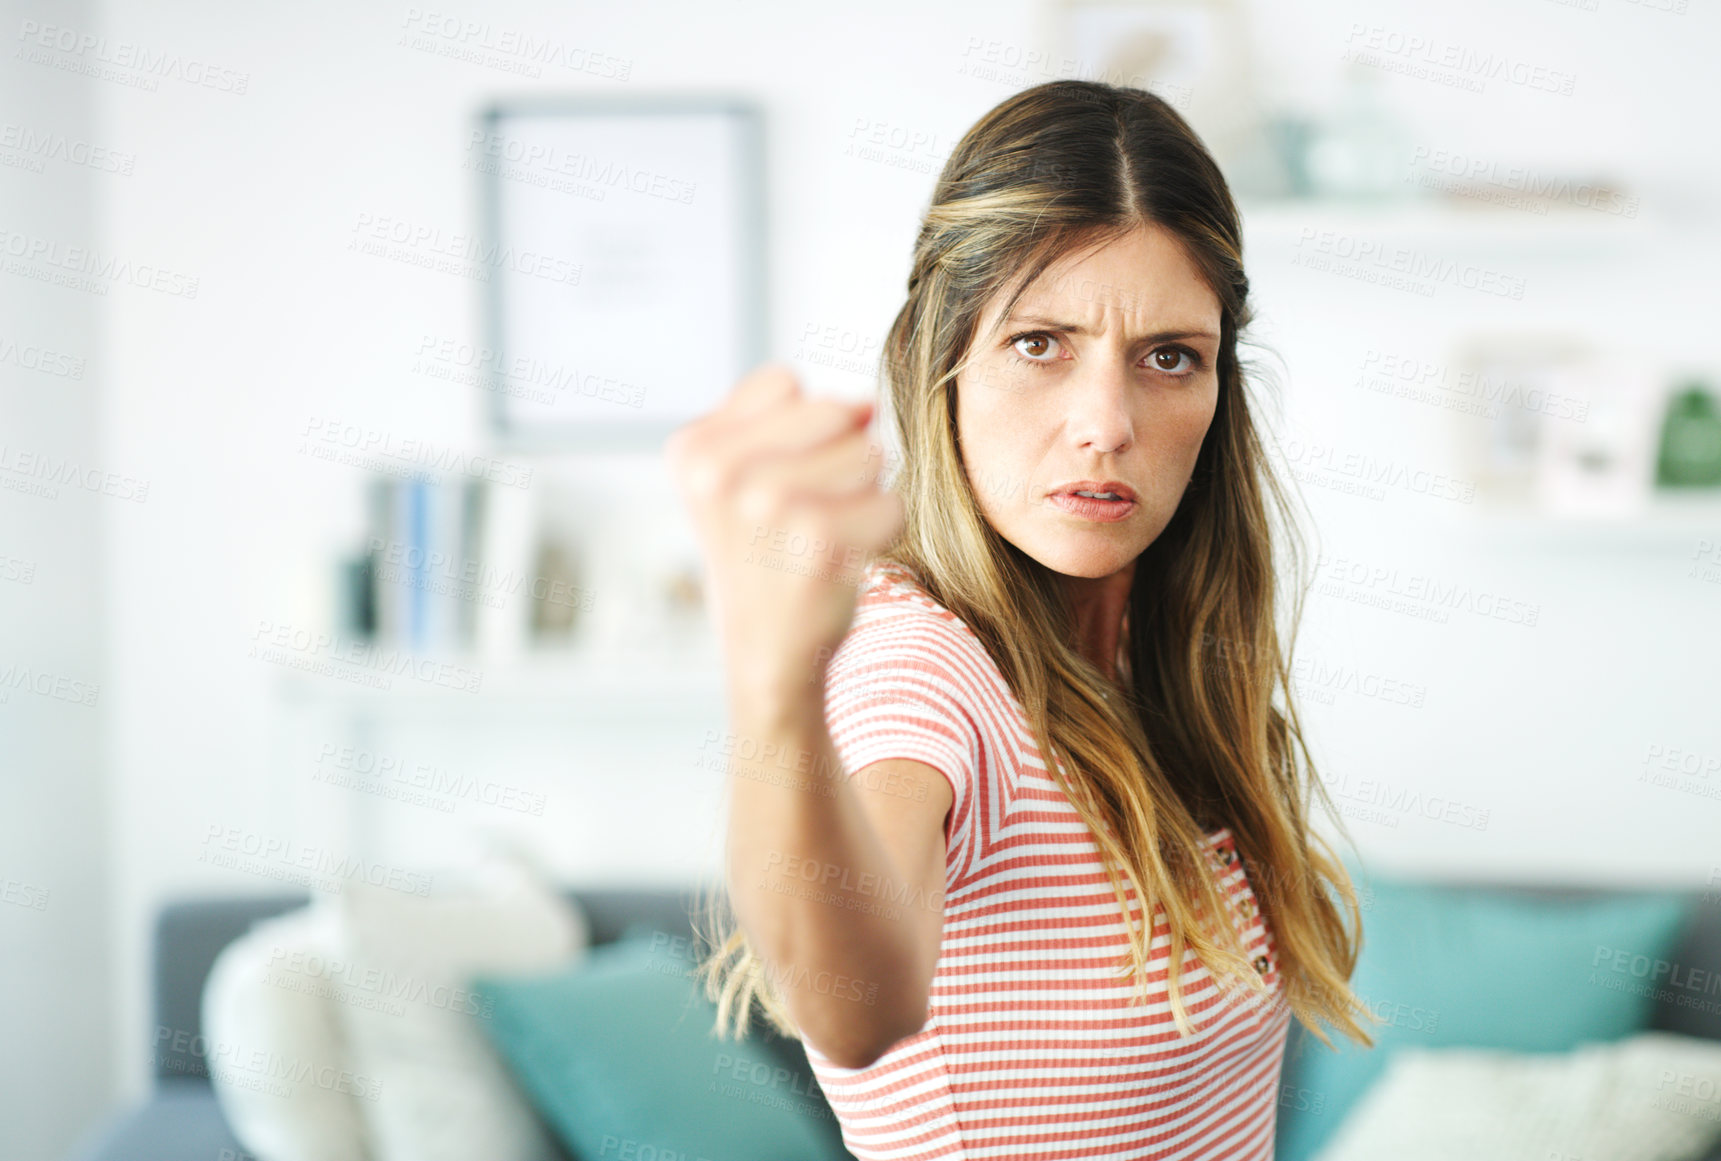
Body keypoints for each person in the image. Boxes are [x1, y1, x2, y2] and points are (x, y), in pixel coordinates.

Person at [667, 78, 1378, 1161]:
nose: (1104, 424)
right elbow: (853, 1007)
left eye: (1167, 356)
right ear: (937, 363)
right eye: (1039, 343)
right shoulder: (921, 667)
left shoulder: (1154, 669)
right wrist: (774, 687)